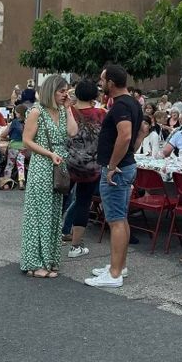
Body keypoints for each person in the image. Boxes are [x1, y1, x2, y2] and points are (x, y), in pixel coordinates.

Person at [86, 65, 144, 289]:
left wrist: (112, 165)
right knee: (121, 218)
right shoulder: (132, 103)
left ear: (110, 82)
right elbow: (139, 131)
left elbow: (126, 134)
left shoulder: (121, 105)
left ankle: (114, 273)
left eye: (102, 80)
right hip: (125, 166)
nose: (100, 84)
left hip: (117, 169)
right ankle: (119, 265)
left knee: (116, 220)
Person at [20, 75, 77, 279]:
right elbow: (27, 141)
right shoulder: (37, 111)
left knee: (53, 215)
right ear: (51, 91)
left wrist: (69, 108)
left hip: (58, 167)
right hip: (43, 166)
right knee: (39, 215)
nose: (65, 95)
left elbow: (72, 132)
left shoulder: (62, 111)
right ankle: (34, 263)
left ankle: (50, 260)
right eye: (62, 91)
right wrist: (49, 153)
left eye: (67, 91)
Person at [61, 80, 105, 259]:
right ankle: (76, 245)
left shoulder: (67, 112)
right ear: (94, 96)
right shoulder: (102, 113)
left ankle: (52, 238)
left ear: (75, 93)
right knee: (83, 203)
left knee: (60, 200)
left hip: (68, 163)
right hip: (91, 166)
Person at [2, 104, 28, 189]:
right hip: (23, 147)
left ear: (19, 113)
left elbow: (4, 135)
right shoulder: (27, 122)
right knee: (20, 164)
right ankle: (21, 182)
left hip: (13, 146)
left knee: (10, 164)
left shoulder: (14, 122)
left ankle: (6, 182)